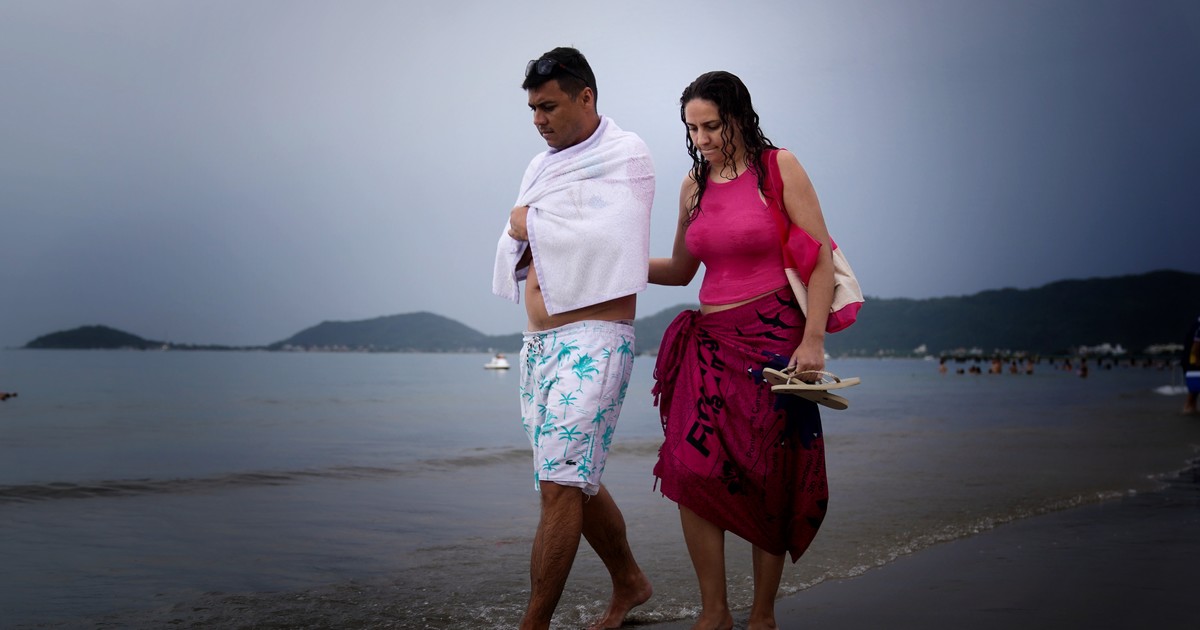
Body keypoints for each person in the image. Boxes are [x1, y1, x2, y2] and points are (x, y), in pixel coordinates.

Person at [648, 70, 833, 630]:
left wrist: (813, 340)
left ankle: (762, 615)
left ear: (738, 118)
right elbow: (680, 270)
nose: (701, 138)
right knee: (690, 468)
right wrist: (610, 260)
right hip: (709, 346)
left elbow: (819, 258)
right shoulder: (693, 185)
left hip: (775, 341)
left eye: (711, 126)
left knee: (765, 473)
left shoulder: (778, 168)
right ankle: (714, 612)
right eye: (692, 128)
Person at [492, 46, 654, 630]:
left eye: (549, 107)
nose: (539, 120)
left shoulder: (626, 154)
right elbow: (534, 236)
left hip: (594, 340)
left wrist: (529, 221)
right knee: (568, 477)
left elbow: (611, 236)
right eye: (533, 109)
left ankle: (532, 624)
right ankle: (630, 581)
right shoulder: (542, 165)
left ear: (586, 97)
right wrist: (529, 224)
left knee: (560, 485)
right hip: (540, 345)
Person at [1184, 316, 1200, 414]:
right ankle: (1189, 409)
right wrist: (1197, 361)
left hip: (1190, 361)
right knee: (1194, 390)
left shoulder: (1196, 325)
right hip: (1193, 362)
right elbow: (1196, 347)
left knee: (1194, 390)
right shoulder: (1198, 327)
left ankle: (1190, 410)